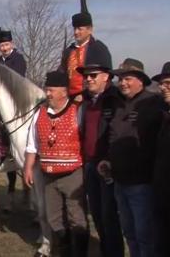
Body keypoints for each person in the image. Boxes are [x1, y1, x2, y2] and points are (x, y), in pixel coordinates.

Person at [97, 58, 163, 257]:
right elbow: (114, 136)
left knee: (145, 234)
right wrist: (108, 159)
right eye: (121, 79)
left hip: (141, 184)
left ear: (141, 81)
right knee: (130, 233)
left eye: (128, 79)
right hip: (119, 182)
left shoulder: (153, 103)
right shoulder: (118, 104)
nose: (123, 83)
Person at [24, 71, 88, 257]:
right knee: (54, 218)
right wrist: (28, 167)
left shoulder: (78, 111)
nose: (48, 94)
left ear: (64, 92)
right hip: (49, 176)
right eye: (47, 90)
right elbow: (32, 144)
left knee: (76, 217)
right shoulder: (39, 114)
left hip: (73, 175)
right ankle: (64, 252)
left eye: (51, 90)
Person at [76, 54, 124, 257]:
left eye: (93, 75)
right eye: (86, 76)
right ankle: (105, 250)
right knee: (96, 213)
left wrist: (110, 160)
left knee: (109, 216)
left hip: (107, 167)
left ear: (106, 76)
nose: (88, 79)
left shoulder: (115, 100)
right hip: (89, 165)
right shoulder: (86, 102)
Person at [0, 28, 27, 210]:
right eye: (1, 45)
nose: (4, 48)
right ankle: (2, 151)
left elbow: (17, 80)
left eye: (6, 44)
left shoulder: (18, 59)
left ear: (11, 44)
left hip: (17, 100)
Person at [59, 0, 111, 101]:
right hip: (69, 100)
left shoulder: (99, 49)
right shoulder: (69, 51)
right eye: (75, 29)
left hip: (92, 100)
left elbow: (106, 78)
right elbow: (62, 74)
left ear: (90, 29)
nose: (76, 32)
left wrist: (85, 95)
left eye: (80, 29)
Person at [151, 61, 170, 257]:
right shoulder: (163, 114)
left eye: (168, 83)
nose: (163, 87)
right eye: (162, 83)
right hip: (161, 192)